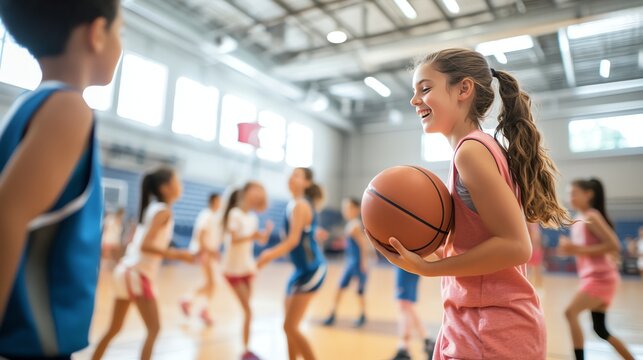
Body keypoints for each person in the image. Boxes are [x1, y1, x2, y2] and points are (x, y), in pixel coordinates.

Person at [368, 48, 573, 359]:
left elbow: (517, 246)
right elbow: (478, 243)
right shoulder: (477, 150)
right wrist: (427, 247)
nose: (414, 100)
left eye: (425, 89)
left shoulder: (472, 152)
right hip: (472, 320)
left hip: (492, 328)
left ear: (463, 89)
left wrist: (430, 268)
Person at [0, 1, 122, 357]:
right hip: (29, 345)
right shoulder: (69, 108)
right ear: (97, 34)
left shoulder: (30, 103)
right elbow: (6, 219)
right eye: (120, 31)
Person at [92, 168, 195, 360]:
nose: (181, 185)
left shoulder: (153, 209)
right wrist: (179, 254)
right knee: (154, 328)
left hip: (126, 270)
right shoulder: (163, 211)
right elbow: (146, 245)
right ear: (165, 188)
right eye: (177, 181)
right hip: (137, 274)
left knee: (114, 328)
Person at [559, 178, 634, 360]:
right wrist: (571, 250)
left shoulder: (591, 216)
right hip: (593, 277)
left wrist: (576, 249)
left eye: (574, 193)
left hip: (601, 278)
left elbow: (613, 245)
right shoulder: (579, 219)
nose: (571, 197)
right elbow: (587, 251)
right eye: (569, 194)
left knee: (570, 312)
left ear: (588, 194)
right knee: (600, 330)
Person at [257, 168, 327, 360]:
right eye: (291, 173)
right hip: (299, 271)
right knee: (288, 328)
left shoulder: (301, 205)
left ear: (306, 183)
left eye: (297, 175)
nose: (291, 176)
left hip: (312, 270)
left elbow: (293, 241)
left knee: (290, 326)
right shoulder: (293, 204)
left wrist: (268, 254)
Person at [220, 182, 273, 360]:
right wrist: (254, 235)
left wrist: (263, 235)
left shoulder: (252, 217)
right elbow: (234, 240)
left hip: (247, 268)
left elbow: (258, 241)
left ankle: (246, 348)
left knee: (248, 312)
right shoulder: (234, 214)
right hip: (232, 270)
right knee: (248, 311)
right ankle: (245, 351)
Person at [323, 198, 370, 328]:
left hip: (356, 262)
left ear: (355, 209)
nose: (345, 210)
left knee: (359, 290)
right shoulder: (351, 224)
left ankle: (362, 314)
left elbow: (363, 244)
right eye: (344, 208)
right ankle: (333, 313)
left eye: (348, 208)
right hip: (350, 262)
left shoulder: (355, 225)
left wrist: (363, 262)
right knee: (341, 287)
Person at [180, 193, 222, 326]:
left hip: (209, 253)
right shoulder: (207, 215)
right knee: (211, 282)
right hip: (205, 253)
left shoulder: (214, 217)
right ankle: (189, 301)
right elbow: (201, 234)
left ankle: (201, 307)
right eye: (219, 201)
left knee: (211, 283)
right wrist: (207, 251)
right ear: (214, 201)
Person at [390, 268, 434, 360]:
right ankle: (428, 341)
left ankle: (404, 349)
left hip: (405, 263)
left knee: (403, 304)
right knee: (406, 305)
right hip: (407, 263)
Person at [527, 223, 544, 290]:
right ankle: (533, 288)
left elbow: (537, 237)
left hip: (535, 249)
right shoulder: (530, 223)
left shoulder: (534, 224)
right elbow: (535, 236)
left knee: (536, 271)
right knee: (530, 271)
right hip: (532, 249)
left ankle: (538, 288)